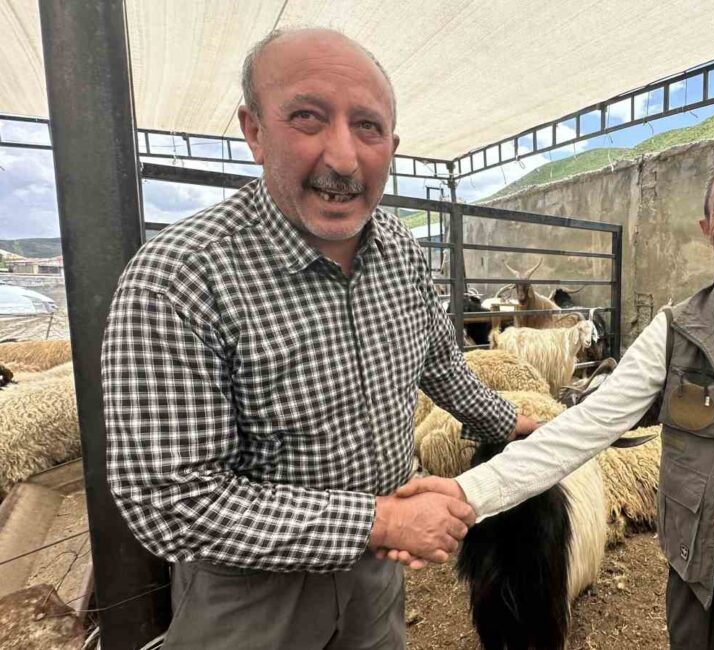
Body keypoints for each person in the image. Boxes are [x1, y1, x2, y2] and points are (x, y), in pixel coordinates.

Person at [101, 28, 537, 650]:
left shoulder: (403, 256)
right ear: (254, 130)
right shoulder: (178, 280)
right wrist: (382, 519)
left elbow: (440, 362)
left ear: (392, 144)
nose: (342, 158)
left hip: (379, 572)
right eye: (307, 117)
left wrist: (516, 424)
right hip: (251, 595)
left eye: (368, 127)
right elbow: (171, 497)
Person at [398, 144, 714, 649]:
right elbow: (584, 428)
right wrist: (466, 492)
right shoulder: (676, 332)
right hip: (708, 563)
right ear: (707, 227)